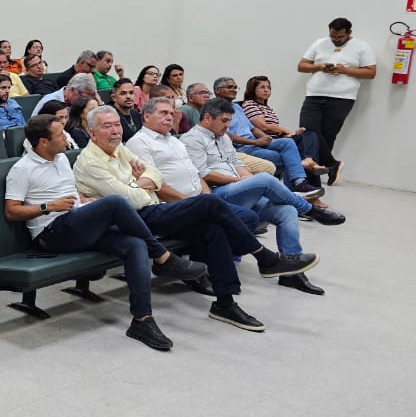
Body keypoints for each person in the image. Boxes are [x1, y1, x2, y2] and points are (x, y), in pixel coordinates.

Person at [74, 106, 317, 332]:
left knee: (212, 228)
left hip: (152, 209)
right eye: (107, 126)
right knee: (209, 202)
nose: (115, 130)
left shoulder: (119, 149)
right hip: (132, 221)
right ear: (92, 132)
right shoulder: (90, 161)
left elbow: (154, 174)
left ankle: (225, 302)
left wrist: (143, 183)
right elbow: (132, 201)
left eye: (117, 124)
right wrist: (141, 184)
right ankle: (264, 257)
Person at [8, 115, 208, 349]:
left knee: (135, 245)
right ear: (43, 142)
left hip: (76, 222)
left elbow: (69, 192)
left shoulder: (60, 159)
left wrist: (86, 201)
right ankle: (163, 257)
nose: (67, 137)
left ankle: (142, 320)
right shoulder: (22, 169)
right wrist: (47, 207)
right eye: (60, 135)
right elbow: (11, 211)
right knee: (115, 202)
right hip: (51, 233)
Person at [136, 98, 345, 294]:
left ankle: (291, 272)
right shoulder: (189, 139)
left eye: (172, 113)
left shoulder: (191, 140)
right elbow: (202, 174)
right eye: (224, 121)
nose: (171, 117)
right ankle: (309, 208)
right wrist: (241, 183)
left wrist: (245, 181)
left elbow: (236, 164)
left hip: (225, 192)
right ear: (207, 118)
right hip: (216, 191)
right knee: (264, 178)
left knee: (286, 211)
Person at [296, 17, 376, 185]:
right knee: (307, 130)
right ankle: (332, 164)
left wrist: (344, 70)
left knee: (327, 136)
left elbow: (370, 73)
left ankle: (314, 175)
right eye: (333, 36)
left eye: (340, 37)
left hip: (342, 98)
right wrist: (320, 66)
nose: (336, 40)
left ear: (349, 33)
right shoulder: (319, 43)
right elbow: (302, 66)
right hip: (314, 95)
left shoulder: (362, 46)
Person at [213, 77, 321, 198]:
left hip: (255, 143)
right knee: (288, 159)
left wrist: (266, 139)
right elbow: (226, 135)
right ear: (217, 90)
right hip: (242, 148)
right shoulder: (214, 108)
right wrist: (255, 142)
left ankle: (300, 183)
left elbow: (252, 129)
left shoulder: (237, 107)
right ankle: (297, 189)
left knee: (289, 142)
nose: (233, 90)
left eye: (235, 87)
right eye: (229, 87)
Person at [242, 76, 330, 180]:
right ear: (252, 89)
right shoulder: (249, 104)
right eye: (262, 87)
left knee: (309, 135)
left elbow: (275, 130)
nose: (266, 90)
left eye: (268, 87)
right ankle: (305, 172)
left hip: (277, 139)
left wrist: (289, 134)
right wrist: (285, 130)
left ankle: (309, 162)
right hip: (264, 140)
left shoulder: (268, 108)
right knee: (302, 142)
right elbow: (263, 127)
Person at [32, 73, 98, 117]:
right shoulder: (50, 102)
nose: (85, 101)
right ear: (72, 90)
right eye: (83, 97)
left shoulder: (76, 104)